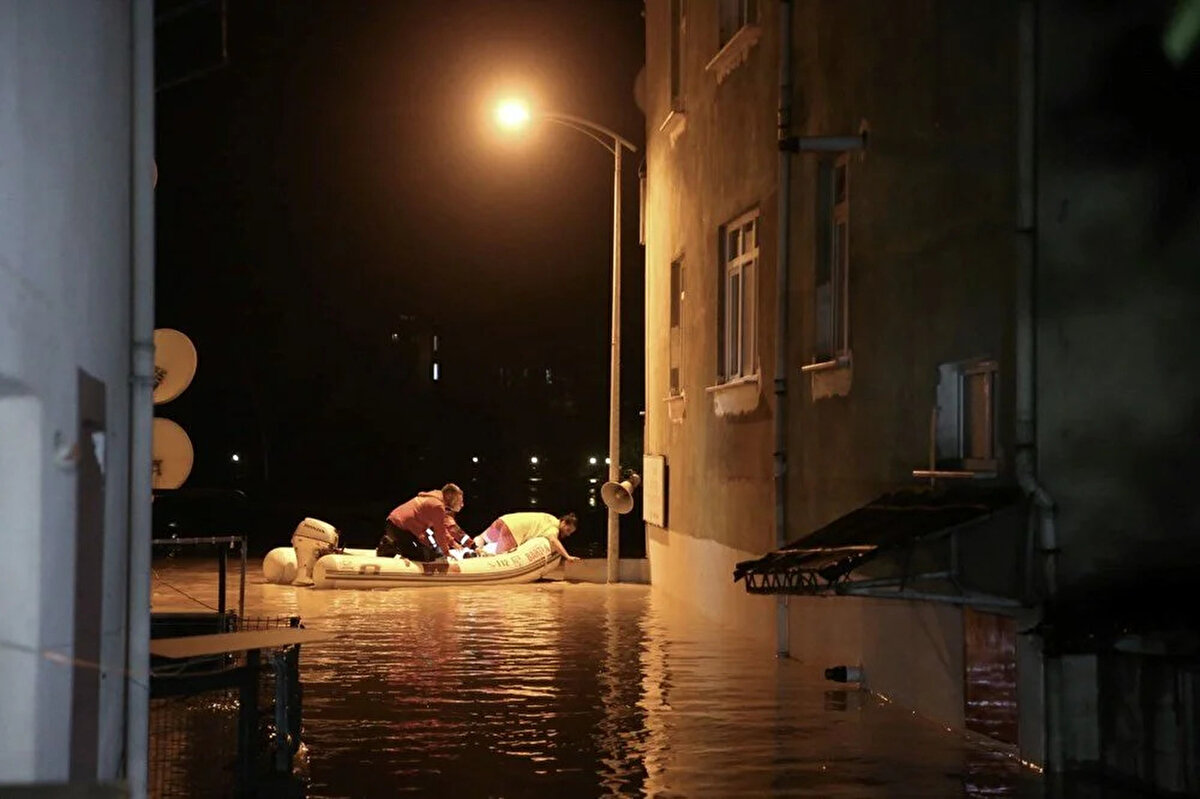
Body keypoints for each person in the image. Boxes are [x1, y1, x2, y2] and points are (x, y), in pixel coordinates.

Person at [377, 483, 468, 562]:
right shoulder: (437, 506)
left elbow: (442, 529)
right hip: (398, 527)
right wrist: (446, 553)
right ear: (450, 497)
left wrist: (453, 544)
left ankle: (391, 546)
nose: (462, 504)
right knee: (423, 556)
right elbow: (440, 533)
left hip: (399, 526)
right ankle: (389, 547)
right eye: (460, 501)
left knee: (429, 554)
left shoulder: (436, 501)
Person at [473, 511, 579, 562]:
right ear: (563, 523)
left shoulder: (549, 517)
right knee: (499, 558)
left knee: (482, 538)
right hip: (513, 530)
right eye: (568, 530)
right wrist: (567, 556)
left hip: (505, 519)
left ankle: (472, 551)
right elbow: (553, 541)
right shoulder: (554, 528)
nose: (568, 534)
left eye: (570, 533)